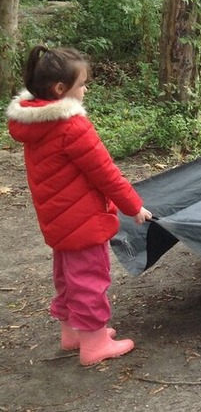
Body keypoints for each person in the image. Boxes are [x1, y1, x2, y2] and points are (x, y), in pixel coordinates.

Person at [6, 45, 152, 366]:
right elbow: (107, 174)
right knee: (90, 279)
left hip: (58, 220)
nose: (86, 89)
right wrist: (133, 206)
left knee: (67, 275)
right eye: (83, 84)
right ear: (61, 89)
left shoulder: (34, 125)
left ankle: (72, 332)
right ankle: (94, 343)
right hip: (83, 220)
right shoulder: (72, 126)